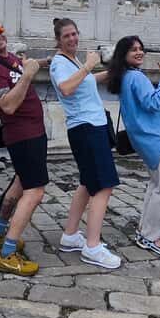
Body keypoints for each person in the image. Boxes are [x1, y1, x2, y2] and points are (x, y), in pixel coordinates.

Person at [48, 17, 121, 269]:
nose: (72, 39)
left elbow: (85, 81)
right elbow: (66, 88)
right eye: (66, 36)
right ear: (58, 40)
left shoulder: (73, 61)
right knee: (103, 187)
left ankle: (70, 235)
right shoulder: (60, 63)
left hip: (92, 126)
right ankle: (92, 246)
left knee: (87, 182)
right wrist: (89, 65)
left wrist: (112, 72)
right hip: (86, 128)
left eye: (74, 34)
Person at [0, 21, 48, 276]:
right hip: (23, 135)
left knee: (19, 184)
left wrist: (48, 61)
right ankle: (7, 253)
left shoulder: (10, 59)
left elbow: (28, 66)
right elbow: (7, 105)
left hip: (33, 132)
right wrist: (28, 74)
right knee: (35, 191)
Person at [107, 36, 160, 256]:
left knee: (156, 185)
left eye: (141, 48)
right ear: (124, 54)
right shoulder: (136, 77)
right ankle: (152, 236)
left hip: (146, 140)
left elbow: (147, 102)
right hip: (157, 139)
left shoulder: (126, 76)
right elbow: (153, 104)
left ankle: (146, 230)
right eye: (133, 50)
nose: (139, 52)